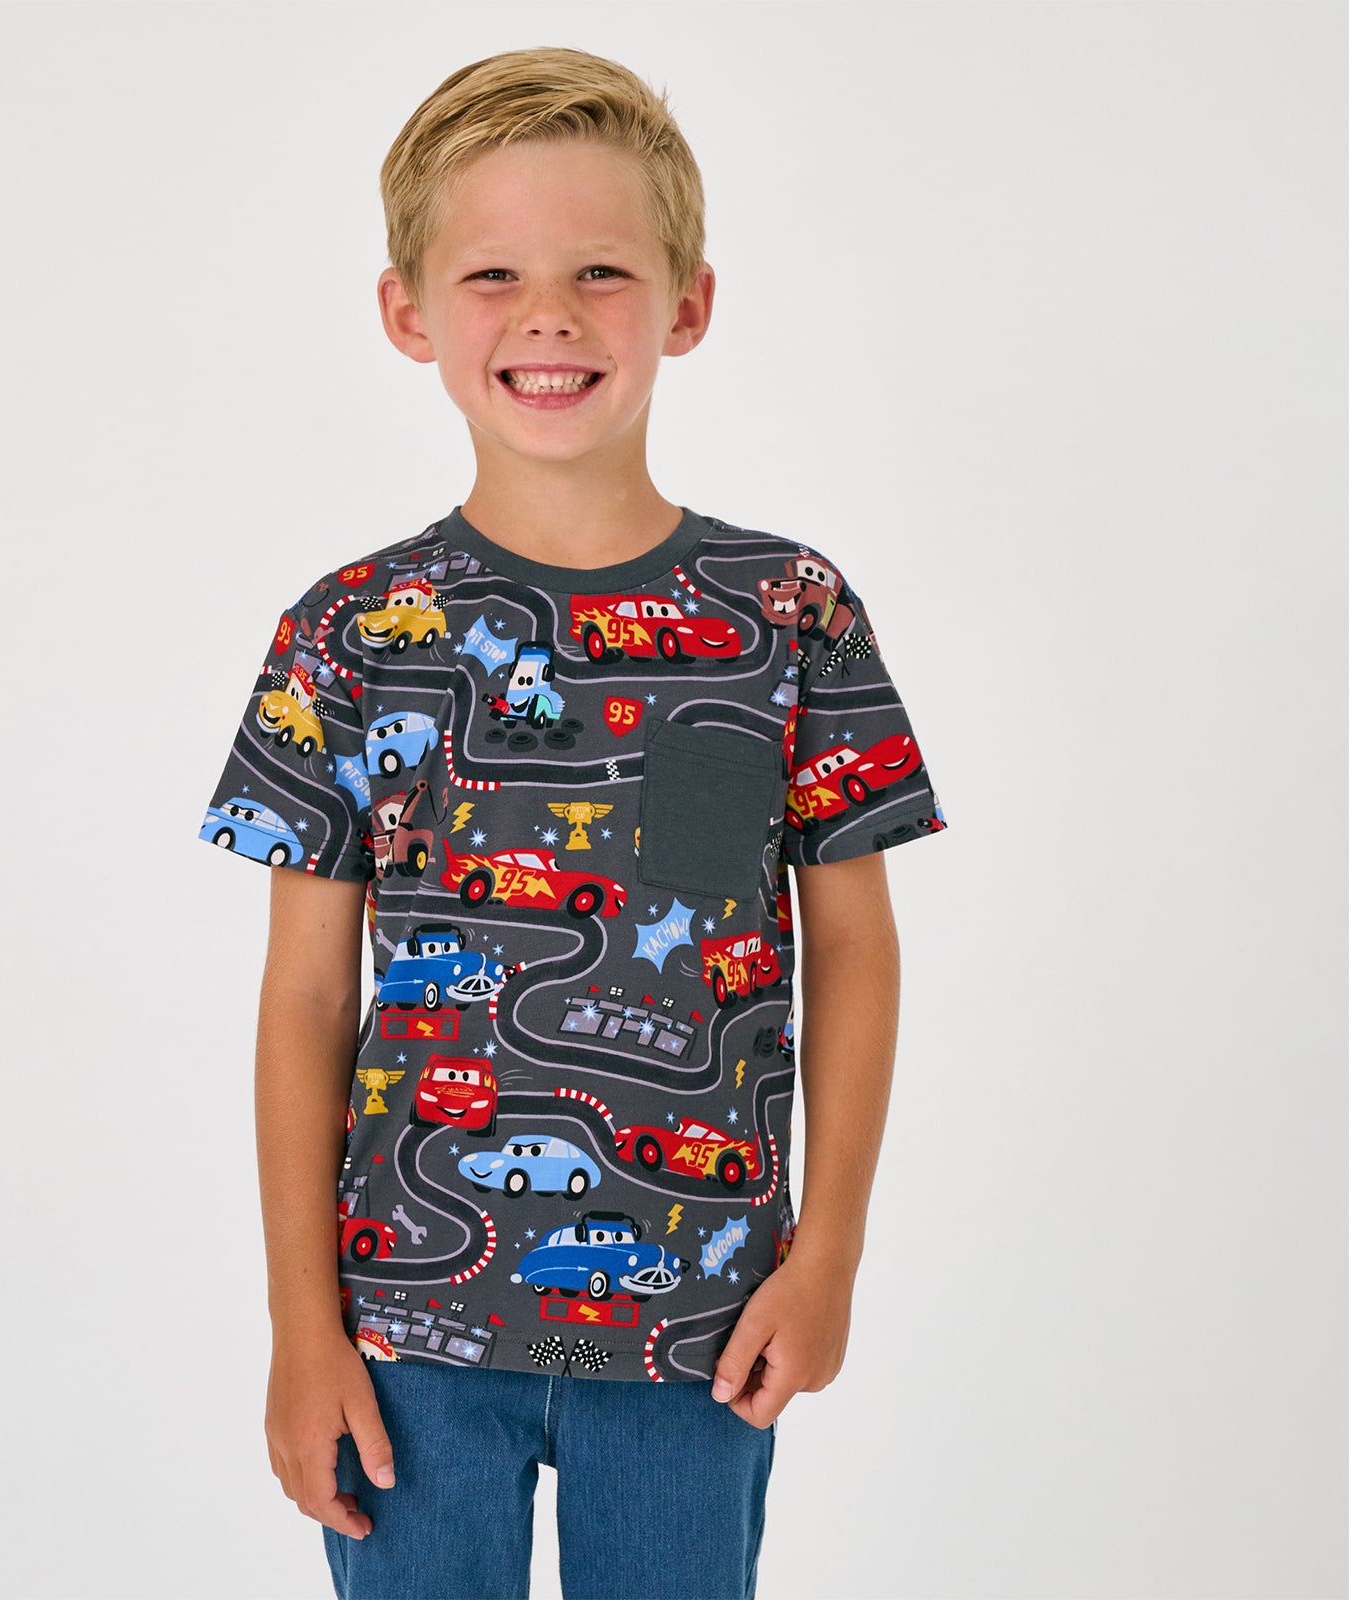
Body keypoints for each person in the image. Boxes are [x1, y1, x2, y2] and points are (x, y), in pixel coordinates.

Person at [196, 45, 948, 1600]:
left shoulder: (789, 613)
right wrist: (298, 1326)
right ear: (409, 311)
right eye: (494, 274)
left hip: (702, 1327)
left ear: (688, 303)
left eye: (602, 270)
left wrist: (831, 1255)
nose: (549, 315)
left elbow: (855, 952)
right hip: (406, 1331)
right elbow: (304, 999)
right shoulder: (349, 633)